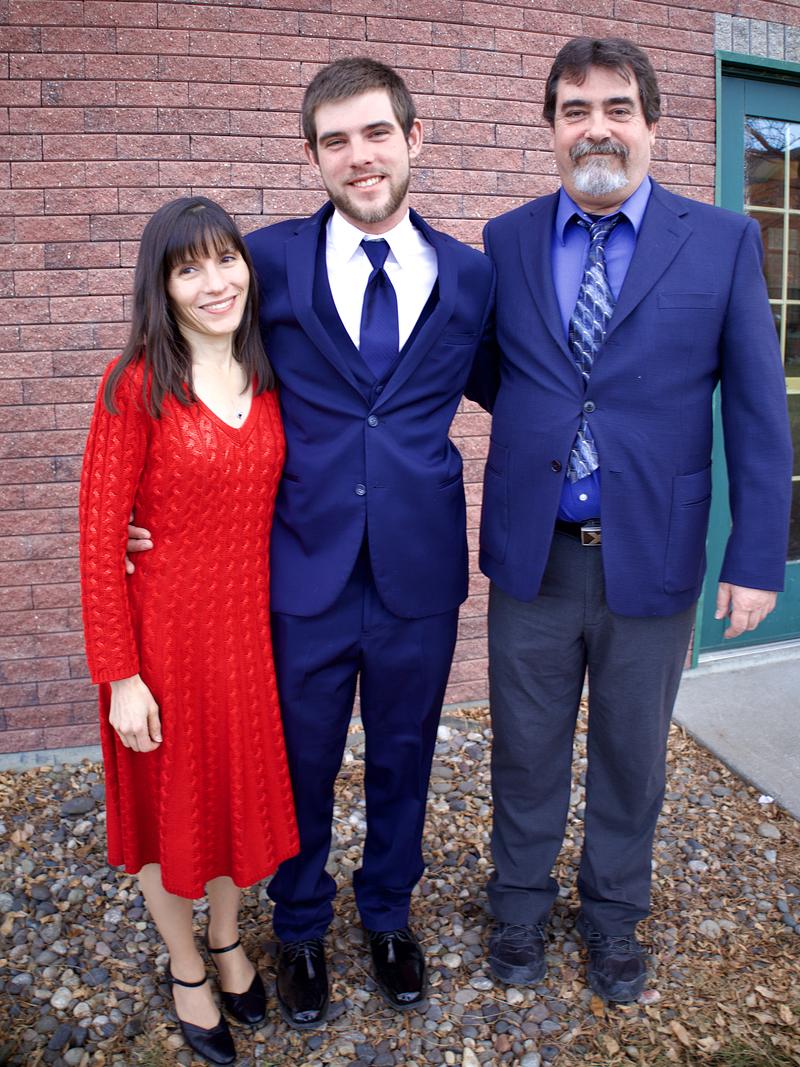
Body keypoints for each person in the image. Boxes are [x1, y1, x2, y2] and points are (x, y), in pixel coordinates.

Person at [127, 59, 495, 1028]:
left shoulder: (469, 276)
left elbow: (521, 388)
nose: (358, 156)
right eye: (336, 141)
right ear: (311, 156)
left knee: (405, 753)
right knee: (299, 758)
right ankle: (297, 924)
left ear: (414, 139)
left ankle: (387, 914)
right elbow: (184, 360)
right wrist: (145, 504)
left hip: (419, 567)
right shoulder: (267, 263)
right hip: (300, 567)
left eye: (376, 133)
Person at [472, 37, 793, 1003]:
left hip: (653, 552)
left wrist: (757, 556)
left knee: (631, 752)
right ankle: (518, 906)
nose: (597, 128)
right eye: (575, 110)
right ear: (552, 128)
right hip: (534, 556)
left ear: (652, 123)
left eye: (618, 108)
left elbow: (757, 411)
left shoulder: (723, 241)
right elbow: (490, 372)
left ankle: (613, 917)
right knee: (525, 748)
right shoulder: (508, 240)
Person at [79, 196, 299, 1064]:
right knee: (167, 809)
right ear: (161, 286)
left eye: (226, 260)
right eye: (188, 267)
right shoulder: (134, 384)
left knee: (229, 802)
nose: (214, 283)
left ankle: (228, 935)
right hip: (162, 645)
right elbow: (100, 541)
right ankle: (186, 966)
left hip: (244, 640)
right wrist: (120, 675)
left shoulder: (268, 373)